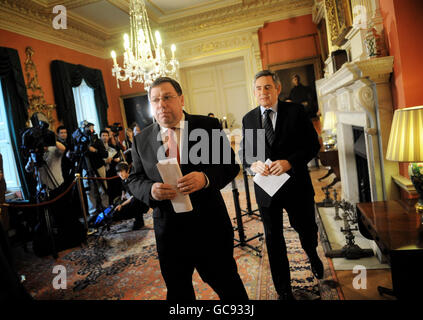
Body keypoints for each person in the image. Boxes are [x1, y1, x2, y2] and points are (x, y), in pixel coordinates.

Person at [127, 76, 248, 301]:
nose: (161, 104)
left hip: (209, 227)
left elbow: (230, 166)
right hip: (169, 232)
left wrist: (205, 178)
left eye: (167, 97)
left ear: (181, 99)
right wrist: (150, 190)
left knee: (229, 287)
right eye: (154, 100)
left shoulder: (207, 126)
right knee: (179, 292)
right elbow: (134, 179)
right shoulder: (141, 139)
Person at [240, 70, 323, 300]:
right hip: (266, 189)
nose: (263, 92)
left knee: (306, 229)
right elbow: (247, 153)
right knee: (273, 239)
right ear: (254, 91)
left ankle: (312, 254)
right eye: (258, 88)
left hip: (296, 185)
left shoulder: (295, 111)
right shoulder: (249, 118)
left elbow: (312, 146)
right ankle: (283, 290)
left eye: (267, 87)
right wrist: (252, 164)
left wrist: (290, 162)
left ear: (277, 88)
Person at [83, 123, 109, 216]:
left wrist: (95, 150)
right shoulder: (81, 142)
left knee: (102, 189)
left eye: (92, 128)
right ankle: (93, 212)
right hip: (86, 168)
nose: (91, 130)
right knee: (89, 191)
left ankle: (106, 209)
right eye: (88, 128)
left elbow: (105, 154)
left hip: (98, 167)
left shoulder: (97, 141)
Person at [115, 162, 147, 230]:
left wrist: (122, 205)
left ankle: (139, 221)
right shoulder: (123, 179)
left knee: (134, 202)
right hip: (132, 198)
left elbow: (134, 196)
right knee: (116, 210)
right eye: (118, 172)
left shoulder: (133, 179)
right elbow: (123, 187)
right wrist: (123, 194)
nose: (120, 174)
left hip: (141, 201)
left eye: (121, 171)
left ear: (127, 170)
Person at [100, 130, 121, 203]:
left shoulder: (111, 147)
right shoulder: (99, 149)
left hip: (111, 170)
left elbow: (118, 157)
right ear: (100, 137)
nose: (105, 137)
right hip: (102, 170)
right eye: (103, 135)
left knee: (114, 186)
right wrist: (105, 161)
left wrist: (115, 159)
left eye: (106, 135)